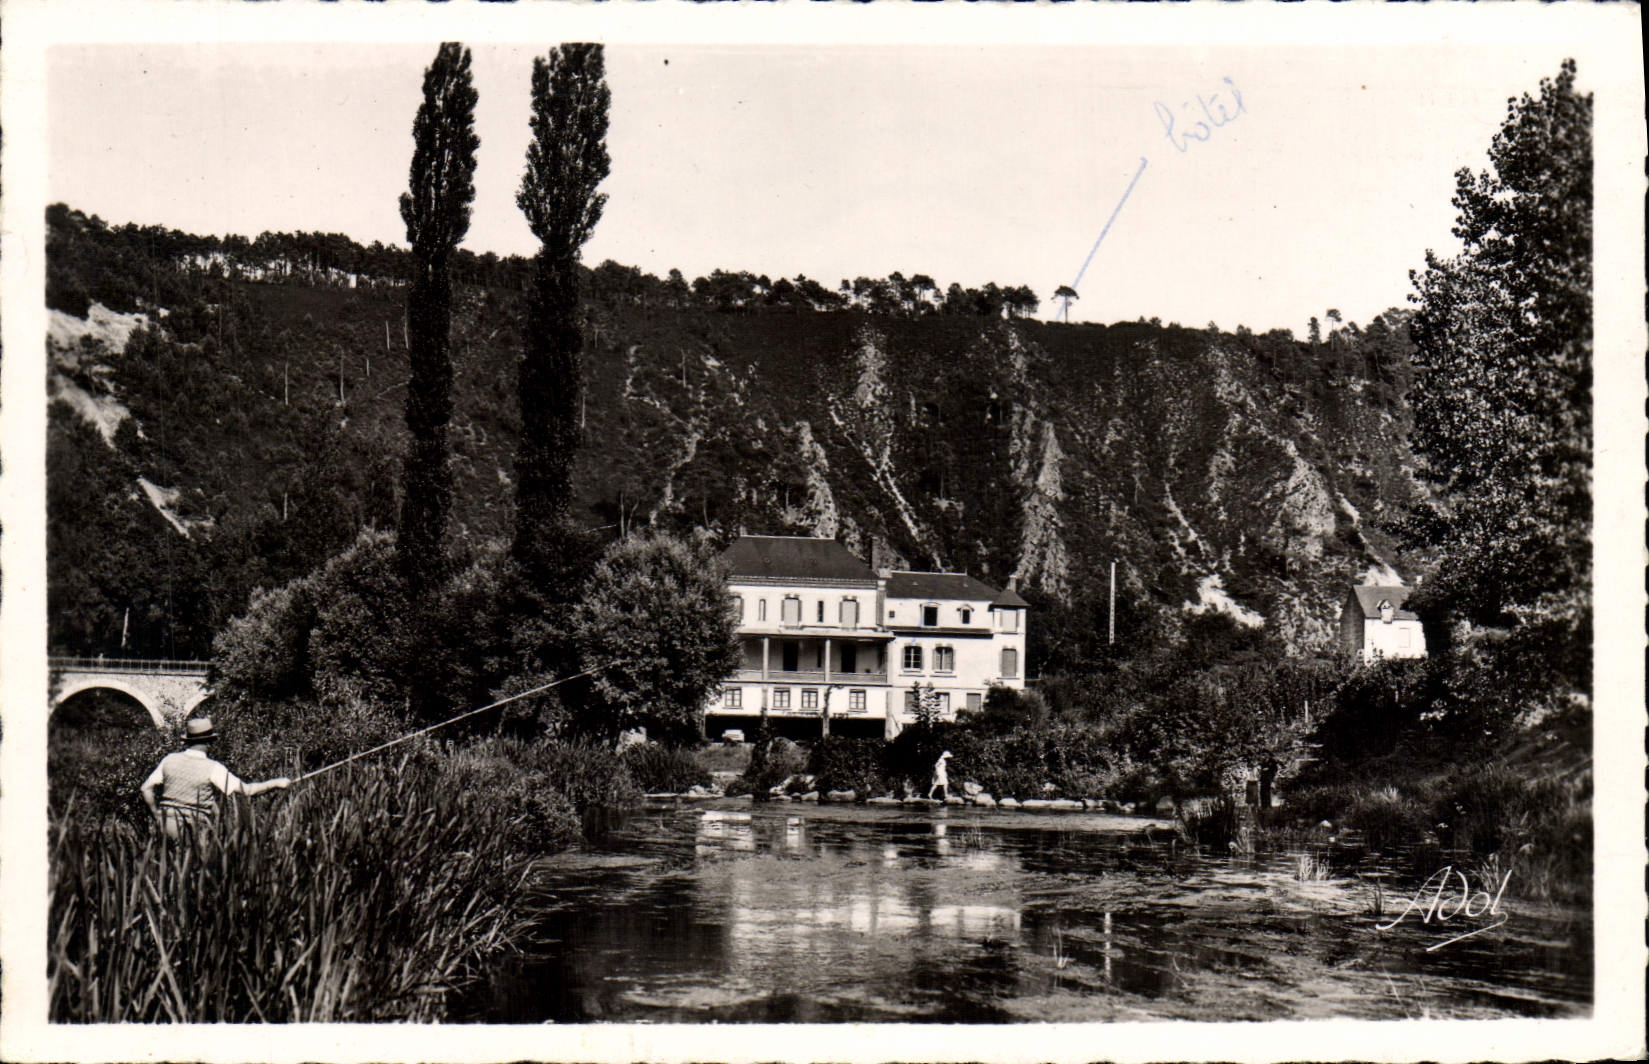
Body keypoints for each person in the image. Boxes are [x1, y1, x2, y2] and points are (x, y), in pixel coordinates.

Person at [140, 717, 290, 839]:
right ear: (209, 742)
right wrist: (276, 783)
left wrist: (156, 814)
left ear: (188, 741)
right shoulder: (213, 767)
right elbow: (247, 790)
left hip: (165, 825)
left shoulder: (169, 759)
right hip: (193, 829)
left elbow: (145, 788)